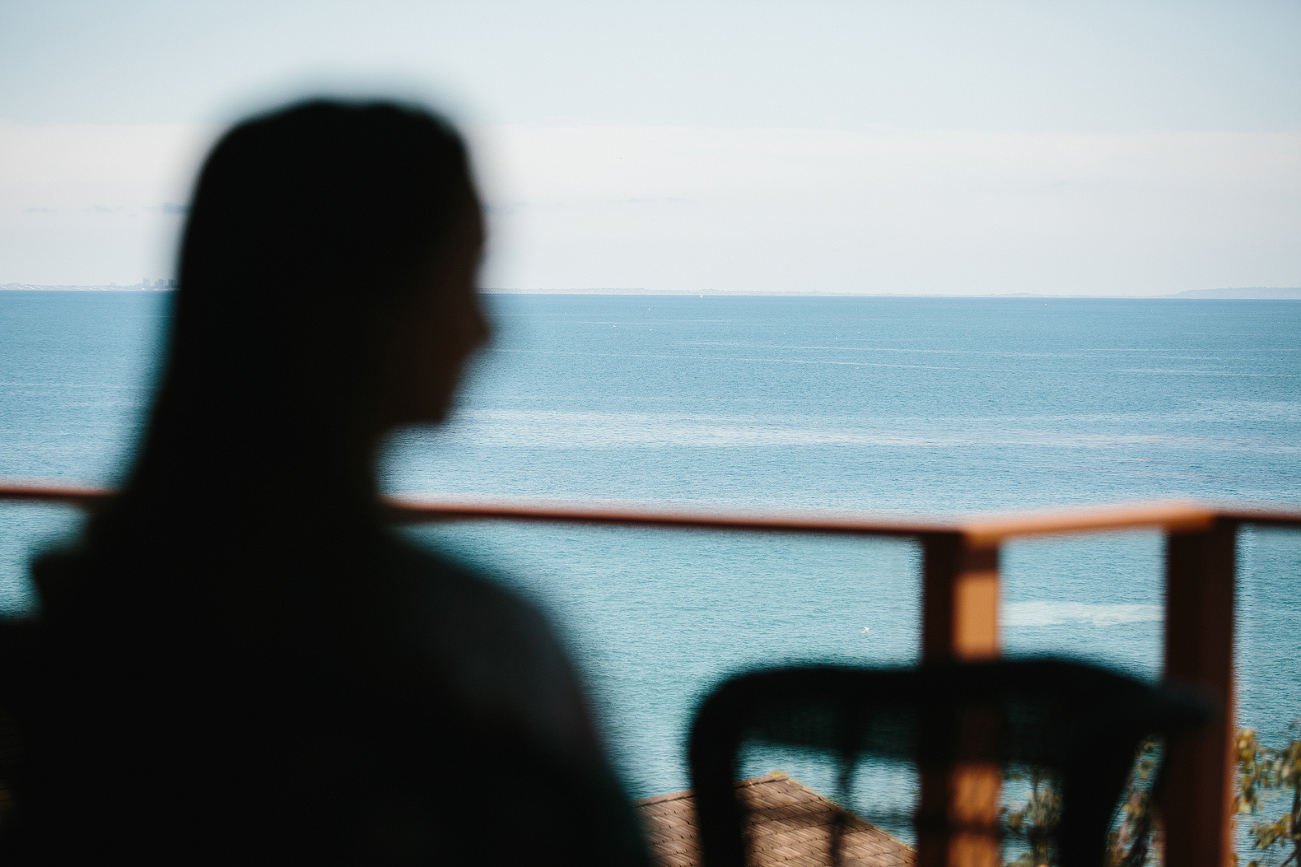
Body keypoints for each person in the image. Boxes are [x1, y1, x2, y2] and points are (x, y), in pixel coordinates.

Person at [0, 99, 651, 865]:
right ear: (358, 309)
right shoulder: (480, 653)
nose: (487, 329)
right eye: (464, 278)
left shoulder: (71, 642)